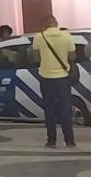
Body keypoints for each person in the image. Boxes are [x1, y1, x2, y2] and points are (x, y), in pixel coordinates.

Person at [32, 17, 77, 148]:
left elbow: (36, 58)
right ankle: (69, 141)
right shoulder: (67, 36)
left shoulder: (38, 37)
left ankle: (51, 140)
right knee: (65, 109)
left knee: (49, 109)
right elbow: (72, 57)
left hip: (46, 78)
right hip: (63, 78)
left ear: (45, 25)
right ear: (56, 23)